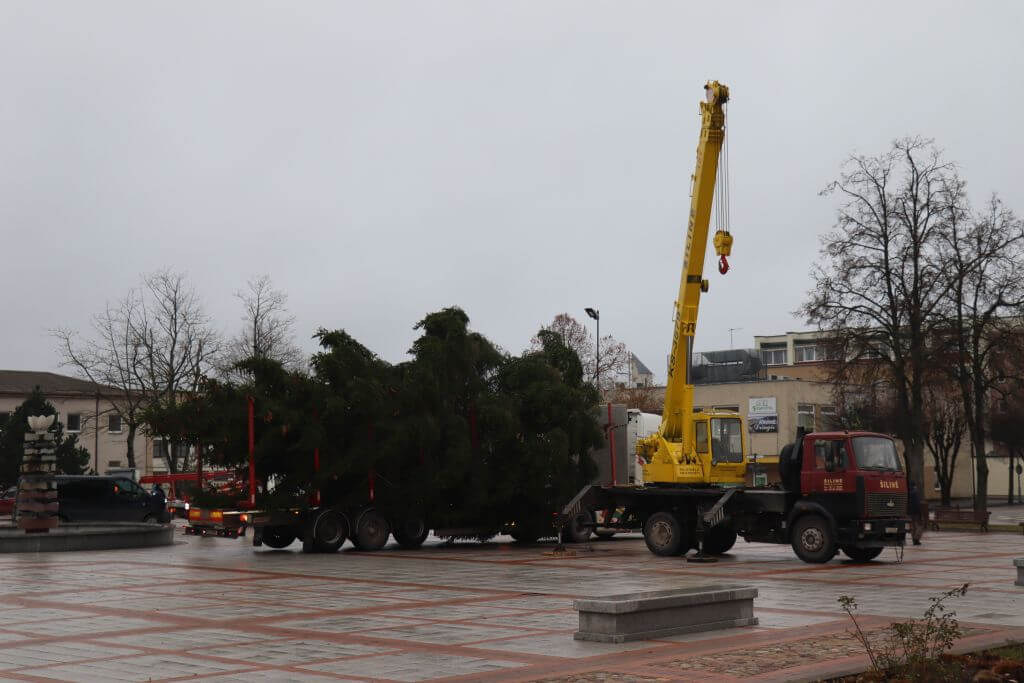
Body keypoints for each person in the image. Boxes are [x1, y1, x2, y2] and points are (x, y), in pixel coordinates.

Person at [908, 480, 923, 545]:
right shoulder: (915, 492)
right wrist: (919, 512)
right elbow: (917, 503)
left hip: (910, 512)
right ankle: (916, 538)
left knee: (913, 526)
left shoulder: (908, 492)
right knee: (919, 526)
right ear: (914, 486)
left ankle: (914, 539)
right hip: (916, 512)